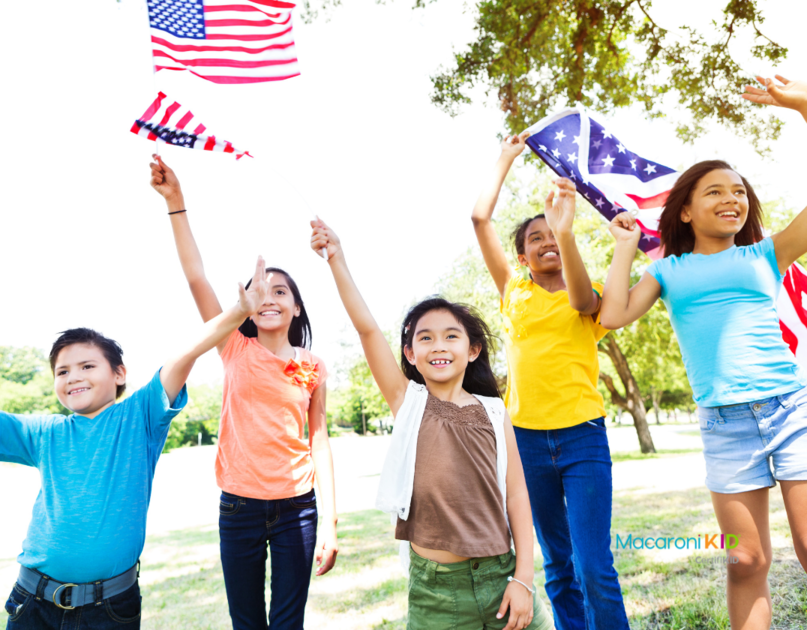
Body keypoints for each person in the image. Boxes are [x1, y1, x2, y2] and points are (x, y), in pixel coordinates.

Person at [0, 260, 274, 629]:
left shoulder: (139, 416)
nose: (73, 377)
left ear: (119, 374)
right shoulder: (44, 432)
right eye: (62, 371)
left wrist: (239, 311)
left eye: (87, 366)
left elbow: (183, 354)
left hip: (110, 610)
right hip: (32, 603)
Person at [600, 75, 807, 630]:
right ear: (685, 211)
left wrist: (803, 105)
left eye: (739, 191)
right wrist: (623, 249)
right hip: (724, 424)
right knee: (745, 559)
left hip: (791, 411)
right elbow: (612, 316)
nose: (731, 198)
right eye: (715, 191)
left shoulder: (765, 255)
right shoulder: (667, 270)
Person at [309, 217, 554, 630]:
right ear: (410, 352)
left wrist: (524, 579)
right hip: (435, 592)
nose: (438, 345)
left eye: (450, 336)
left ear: (473, 349)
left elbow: (516, 496)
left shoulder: (495, 411)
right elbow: (367, 329)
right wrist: (337, 260)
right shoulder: (408, 401)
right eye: (425, 338)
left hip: (501, 578)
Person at [150, 155, 338, 630]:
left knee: (287, 622)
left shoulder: (312, 366)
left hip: (298, 506)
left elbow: (319, 440)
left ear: (296, 307)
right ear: (248, 307)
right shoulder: (234, 344)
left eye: (280, 292)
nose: (268, 298)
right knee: (248, 622)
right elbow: (197, 278)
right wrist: (177, 203)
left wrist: (329, 521)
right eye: (259, 291)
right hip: (239, 505)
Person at [470, 132, 629, 630]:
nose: (545, 242)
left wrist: (564, 230)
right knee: (557, 565)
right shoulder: (514, 290)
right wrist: (505, 158)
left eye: (552, 235)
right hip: (526, 442)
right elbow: (479, 219)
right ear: (521, 258)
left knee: (593, 564)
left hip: (582, 437)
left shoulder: (592, 293)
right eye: (533, 238)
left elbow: (582, 302)